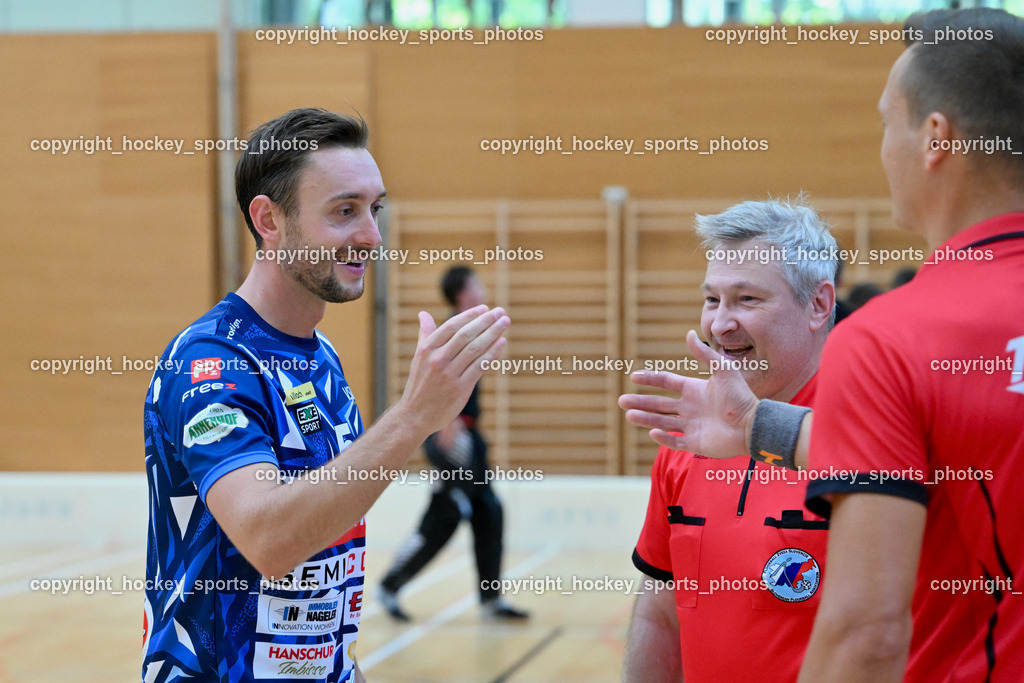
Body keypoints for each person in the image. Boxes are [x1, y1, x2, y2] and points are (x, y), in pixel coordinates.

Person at [620, 8, 1024, 680]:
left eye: (884, 122)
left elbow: (866, 635)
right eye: (714, 298)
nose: (882, 147)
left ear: (933, 138)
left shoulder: (896, 339)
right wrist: (757, 426)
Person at [142, 108, 510, 683]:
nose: (371, 235)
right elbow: (269, 539)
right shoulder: (209, 364)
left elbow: (324, 576)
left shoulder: (322, 359)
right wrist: (413, 418)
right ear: (268, 218)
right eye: (344, 211)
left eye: (374, 209)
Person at [622, 199, 837, 682]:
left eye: (747, 299)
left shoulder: (872, 432)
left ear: (818, 305)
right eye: (712, 299)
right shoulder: (686, 440)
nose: (720, 324)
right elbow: (661, 613)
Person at [379, 266, 528, 621]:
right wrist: (448, 427)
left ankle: (490, 601)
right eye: (475, 284)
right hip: (453, 437)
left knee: (488, 512)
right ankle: (389, 586)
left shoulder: (470, 329)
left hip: (468, 436)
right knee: (444, 518)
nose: (482, 289)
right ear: (463, 294)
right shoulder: (453, 333)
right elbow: (440, 389)